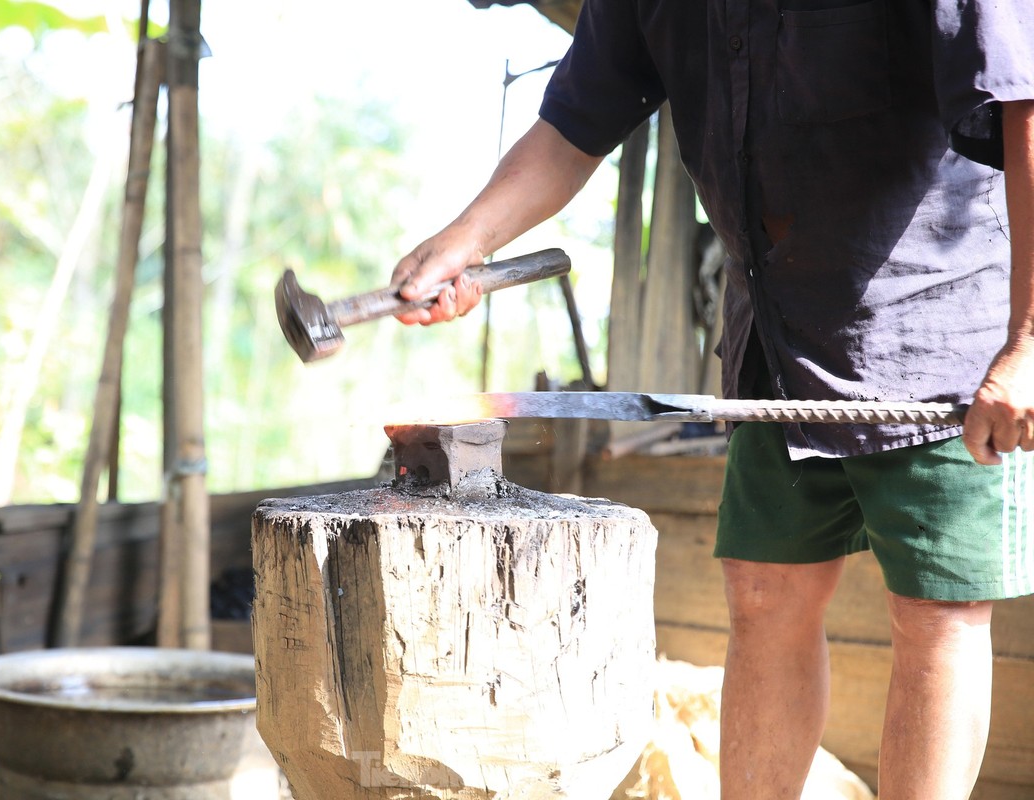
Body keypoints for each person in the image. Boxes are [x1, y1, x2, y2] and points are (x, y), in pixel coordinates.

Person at [390, 2, 1034, 798]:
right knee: (763, 596)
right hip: (779, 340)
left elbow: (1023, 98)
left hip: (941, 334)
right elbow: (573, 126)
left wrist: (1029, 342)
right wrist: (467, 239)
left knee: (938, 615)